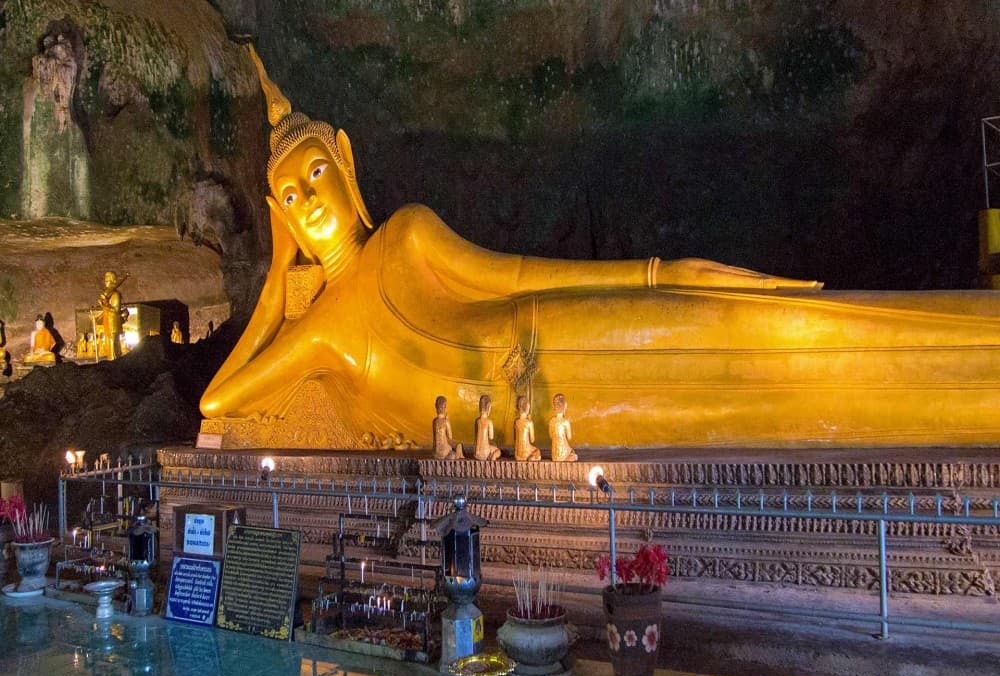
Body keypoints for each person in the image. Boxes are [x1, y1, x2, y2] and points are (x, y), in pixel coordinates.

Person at [200, 46, 1000, 450]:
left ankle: (973, 336)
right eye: (293, 199)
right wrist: (278, 272)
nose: (313, 205)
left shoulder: (406, 231)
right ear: (280, 214)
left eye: (317, 175)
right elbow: (217, 402)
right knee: (741, 403)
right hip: (533, 409)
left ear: (345, 158)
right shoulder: (322, 333)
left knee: (729, 323)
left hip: (557, 325)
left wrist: (657, 274)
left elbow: (518, 274)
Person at [97, 271, 128, 360]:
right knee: (109, 346)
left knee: (113, 346)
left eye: (107, 281)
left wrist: (104, 305)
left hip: (113, 324)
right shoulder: (109, 295)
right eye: (105, 281)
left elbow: (116, 310)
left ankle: (114, 363)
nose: (105, 283)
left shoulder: (116, 295)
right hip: (108, 323)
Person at [548, 394, 577, 463]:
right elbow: (569, 437)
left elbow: (551, 436)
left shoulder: (551, 421)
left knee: (570, 450)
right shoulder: (565, 422)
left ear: (554, 406)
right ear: (564, 406)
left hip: (554, 456)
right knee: (574, 455)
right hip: (563, 454)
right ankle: (566, 457)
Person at [432, 395, 464, 460]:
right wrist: (447, 420)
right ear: (445, 407)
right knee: (458, 446)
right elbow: (450, 437)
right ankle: (460, 456)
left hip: (435, 453)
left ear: (436, 406)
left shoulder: (434, 421)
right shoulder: (446, 421)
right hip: (444, 452)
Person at [473, 394, 502, 461]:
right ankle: (493, 456)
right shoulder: (489, 422)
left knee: (489, 445)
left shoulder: (477, 421)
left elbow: (476, 436)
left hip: (476, 452)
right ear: (489, 407)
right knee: (498, 450)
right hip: (485, 452)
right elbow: (491, 437)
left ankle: (489, 455)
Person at [513, 395, 541, 462]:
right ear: (528, 408)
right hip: (527, 452)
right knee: (538, 451)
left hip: (517, 455)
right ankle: (531, 457)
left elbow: (515, 439)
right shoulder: (529, 423)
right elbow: (532, 440)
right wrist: (529, 420)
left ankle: (525, 457)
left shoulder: (516, 422)